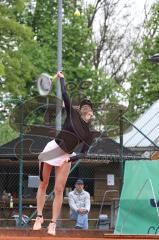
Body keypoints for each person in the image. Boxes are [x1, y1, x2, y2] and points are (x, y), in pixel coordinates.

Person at [33, 71, 94, 235]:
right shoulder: (72, 114)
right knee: (43, 183)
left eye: (90, 109)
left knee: (59, 189)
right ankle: (39, 217)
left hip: (66, 156)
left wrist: (70, 159)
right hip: (52, 148)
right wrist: (61, 78)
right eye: (86, 107)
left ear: (90, 114)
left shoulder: (89, 133)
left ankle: (52, 223)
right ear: (82, 111)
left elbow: (84, 154)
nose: (89, 110)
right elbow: (65, 94)